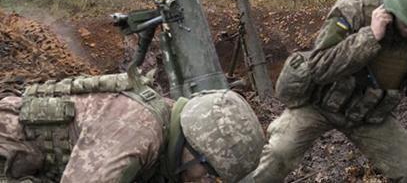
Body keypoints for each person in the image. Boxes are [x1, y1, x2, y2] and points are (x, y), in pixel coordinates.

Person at [253, 0, 407, 183]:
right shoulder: (356, 8)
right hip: (320, 103)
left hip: (369, 114)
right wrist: (370, 37)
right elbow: (319, 67)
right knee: (278, 154)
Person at [0, 71, 264, 183]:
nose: (204, 182)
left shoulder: (167, 124)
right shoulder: (137, 132)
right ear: (193, 146)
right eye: (209, 176)